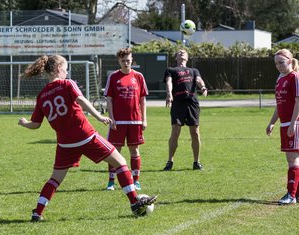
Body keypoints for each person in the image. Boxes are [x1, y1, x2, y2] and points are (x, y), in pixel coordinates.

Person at [18, 55, 157, 221]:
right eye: (66, 68)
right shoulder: (67, 83)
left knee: (55, 179)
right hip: (85, 136)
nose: (66, 71)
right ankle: (134, 201)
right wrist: (99, 116)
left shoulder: (42, 95)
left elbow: (35, 124)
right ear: (58, 69)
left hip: (65, 144)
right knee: (120, 163)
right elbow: (81, 99)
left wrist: (24, 123)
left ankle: (37, 212)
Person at [104, 47, 148, 191]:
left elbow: (142, 100)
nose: (126, 63)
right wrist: (111, 118)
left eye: (128, 60)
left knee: (134, 150)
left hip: (135, 121)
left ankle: (136, 181)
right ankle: (111, 181)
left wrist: (144, 119)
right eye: (123, 61)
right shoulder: (114, 77)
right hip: (118, 121)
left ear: (131, 60)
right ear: (119, 61)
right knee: (114, 152)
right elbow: (109, 99)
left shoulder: (139, 76)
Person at [162, 49, 207, 171]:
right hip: (178, 103)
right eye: (179, 52)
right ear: (175, 57)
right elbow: (169, 82)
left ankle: (196, 162)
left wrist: (203, 87)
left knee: (195, 132)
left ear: (187, 57)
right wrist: (169, 94)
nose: (181, 53)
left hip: (192, 103)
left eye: (184, 52)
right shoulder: (171, 70)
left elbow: (198, 79)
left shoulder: (193, 70)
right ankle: (170, 161)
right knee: (175, 131)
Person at [266, 48, 299, 205]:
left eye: (281, 62)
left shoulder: (295, 77)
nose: (278, 66)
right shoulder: (280, 79)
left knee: (292, 159)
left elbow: (298, 102)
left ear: (290, 61)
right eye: (276, 63)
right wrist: (272, 122)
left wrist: (293, 123)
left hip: (295, 123)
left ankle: (291, 195)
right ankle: (296, 194)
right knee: (293, 158)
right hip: (284, 124)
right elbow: (279, 105)